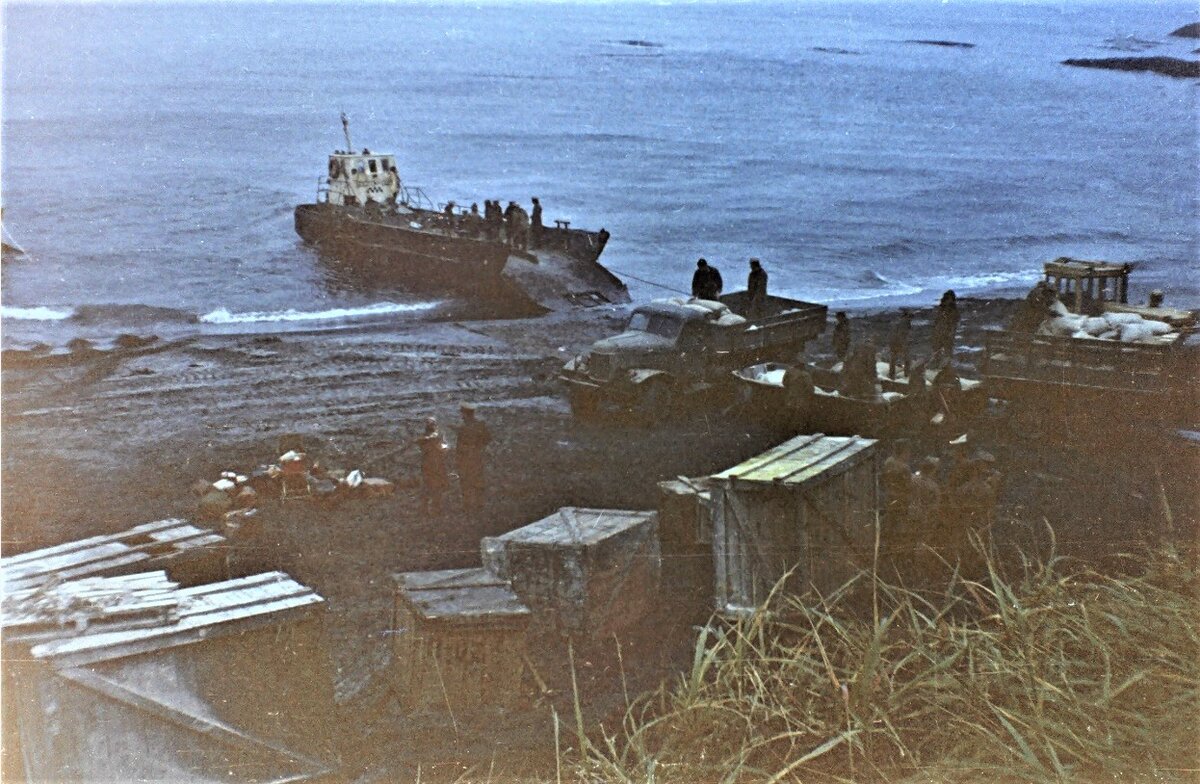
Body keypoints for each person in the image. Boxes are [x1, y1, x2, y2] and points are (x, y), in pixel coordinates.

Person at [454, 404, 493, 517]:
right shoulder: (480, 425)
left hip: (466, 457)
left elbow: (460, 444)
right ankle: (478, 504)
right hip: (476, 456)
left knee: (466, 481)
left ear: (465, 414)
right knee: (477, 479)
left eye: (462, 413)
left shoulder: (463, 427)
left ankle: (468, 506)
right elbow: (487, 439)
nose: (461, 416)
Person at [416, 417, 450, 517]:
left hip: (429, 465)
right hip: (436, 465)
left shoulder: (423, 438)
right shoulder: (432, 438)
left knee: (429, 487)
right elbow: (443, 448)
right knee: (436, 487)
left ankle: (427, 509)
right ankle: (434, 509)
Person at [931, 290, 960, 363]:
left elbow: (954, 321)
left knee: (944, 345)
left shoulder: (950, 310)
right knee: (943, 344)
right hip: (943, 329)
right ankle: (941, 359)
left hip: (944, 329)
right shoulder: (949, 310)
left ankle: (943, 360)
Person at [887, 309, 912, 380]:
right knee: (907, 359)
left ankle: (891, 374)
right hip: (899, 343)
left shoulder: (898, 322)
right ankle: (906, 375)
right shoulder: (905, 322)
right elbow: (902, 334)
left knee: (893, 358)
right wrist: (904, 344)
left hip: (893, 342)